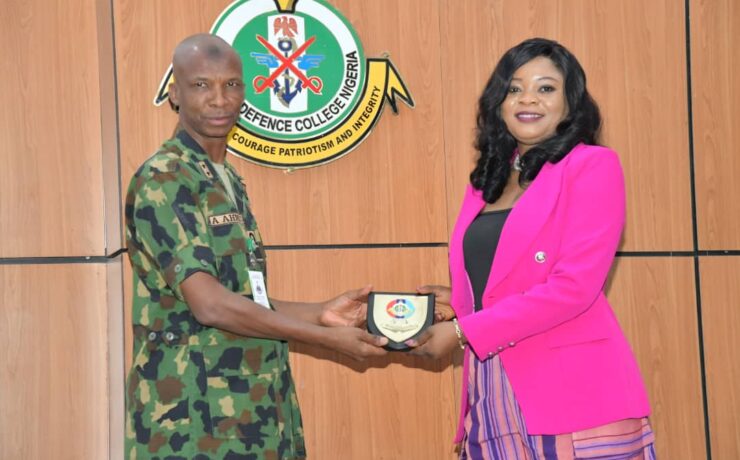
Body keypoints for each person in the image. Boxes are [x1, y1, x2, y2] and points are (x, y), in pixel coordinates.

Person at [123, 33, 388, 459]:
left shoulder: (223, 178)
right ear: (174, 93)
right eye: (201, 85)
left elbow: (246, 299)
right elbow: (210, 305)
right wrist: (323, 339)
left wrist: (322, 314)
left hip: (253, 414)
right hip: (193, 424)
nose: (219, 99)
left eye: (231, 84)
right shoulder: (166, 178)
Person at [407, 38, 656, 459]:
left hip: (573, 394)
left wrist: (463, 332)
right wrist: (460, 304)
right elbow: (504, 279)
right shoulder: (485, 182)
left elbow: (573, 288)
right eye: (514, 88)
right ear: (499, 103)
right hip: (490, 389)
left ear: (570, 102)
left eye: (546, 88)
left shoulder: (592, 165)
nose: (528, 99)